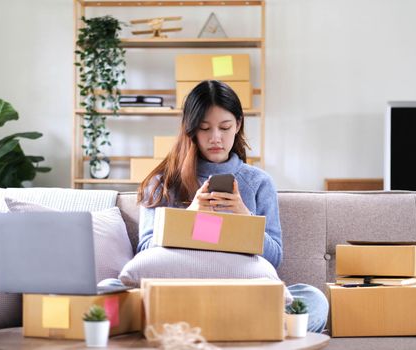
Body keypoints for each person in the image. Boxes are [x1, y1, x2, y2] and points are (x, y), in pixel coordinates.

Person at [136, 80, 329, 333]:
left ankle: (219, 327)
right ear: (191, 130)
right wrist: (188, 218)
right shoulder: (162, 183)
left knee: (313, 298)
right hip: (185, 294)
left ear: (238, 125)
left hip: (245, 296)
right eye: (205, 128)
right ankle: (250, 330)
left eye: (225, 127)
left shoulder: (259, 183)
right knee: (111, 289)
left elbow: (274, 259)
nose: (216, 138)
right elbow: (144, 252)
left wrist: (245, 218)